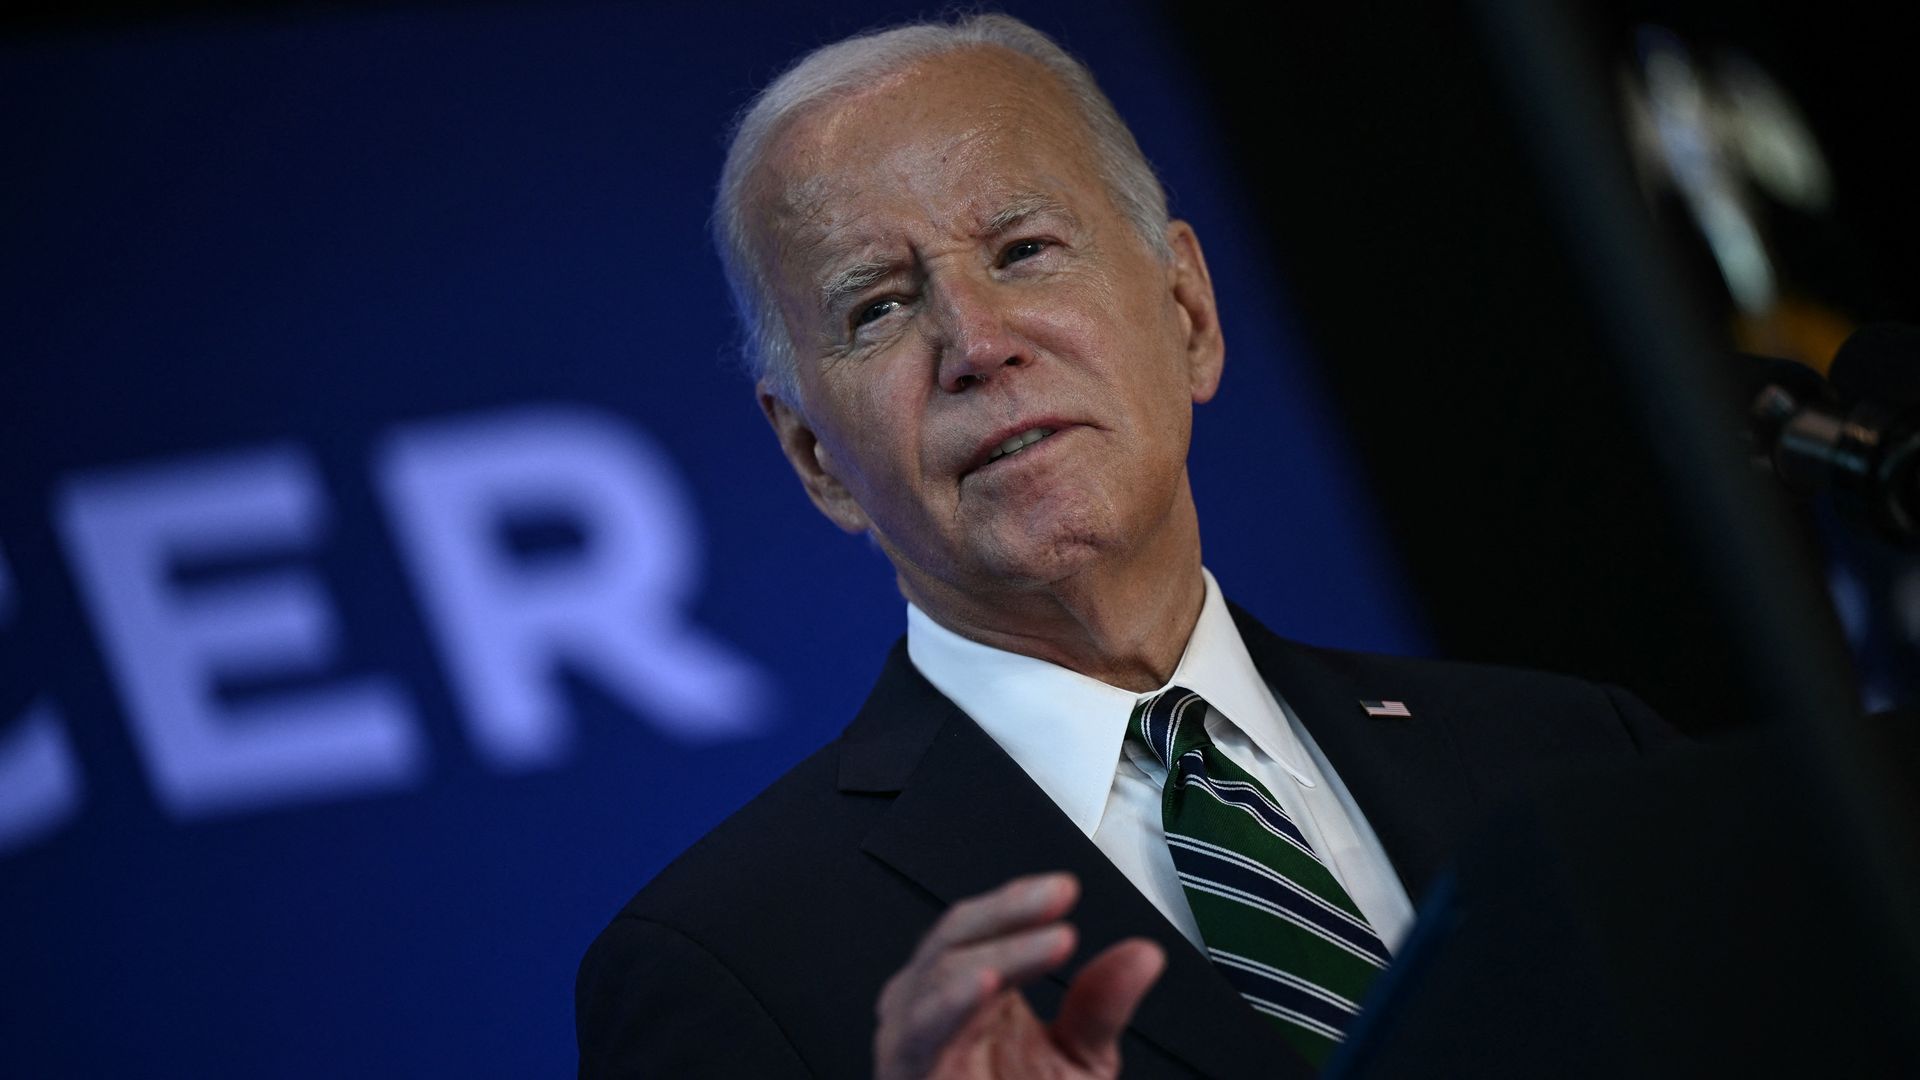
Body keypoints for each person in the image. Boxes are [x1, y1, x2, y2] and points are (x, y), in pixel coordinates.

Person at [576, 13, 1674, 1078]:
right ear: (815, 456)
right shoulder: (727, 966)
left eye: (1023, 250)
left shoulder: (1576, 755)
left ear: (1188, 310)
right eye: (876, 309)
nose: (977, 342)